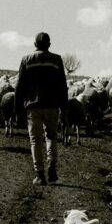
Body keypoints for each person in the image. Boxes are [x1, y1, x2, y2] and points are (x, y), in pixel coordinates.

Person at [15, 32, 68, 185]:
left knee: (35, 140)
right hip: (52, 105)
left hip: (33, 106)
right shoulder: (57, 60)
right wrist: (64, 108)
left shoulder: (26, 59)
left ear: (34, 45)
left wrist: (17, 107)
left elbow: (20, 85)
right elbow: (62, 85)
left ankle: (39, 174)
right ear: (49, 45)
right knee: (51, 137)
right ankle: (52, 166)